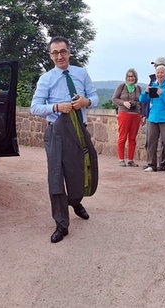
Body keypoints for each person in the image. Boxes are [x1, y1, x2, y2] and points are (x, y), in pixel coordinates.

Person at [31, 36, 99, 243]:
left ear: (69, 52)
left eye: (63, 51)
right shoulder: (46, 79)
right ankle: (61, 224)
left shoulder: (81, 73)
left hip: (79, 130)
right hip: (56, 133)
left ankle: (75, 202)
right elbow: (34, 107)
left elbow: (95, 98)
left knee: (79, 172)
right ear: (51, 56)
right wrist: (56, 107)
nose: (59, 56)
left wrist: (86, 101)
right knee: (56, 176)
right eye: (55, 53)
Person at [139, 65, 165, 173]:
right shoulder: (153, 85)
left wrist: (162, 94)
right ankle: (151, 165)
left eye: (162, 73)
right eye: (158, 73)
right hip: (153, 118)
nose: (160, 75)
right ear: (155, 74)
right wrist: (146, 92)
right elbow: (142, 99)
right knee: (151, 142)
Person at [112, 68, 142, 167]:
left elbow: (141, 101)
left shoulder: (138, 88)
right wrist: (124, 103)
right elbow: (114, 99)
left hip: (136, 115)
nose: (130, 78)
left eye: (132, 76)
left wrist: (141, 112)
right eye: (129, 76)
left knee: (133, 138)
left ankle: (130, 160)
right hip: (124, 114)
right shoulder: (122, 86)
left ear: (135, 78)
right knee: (123, 137)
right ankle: (121, 159)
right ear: (126, 77)